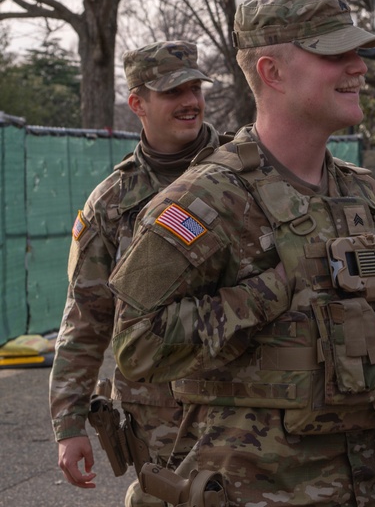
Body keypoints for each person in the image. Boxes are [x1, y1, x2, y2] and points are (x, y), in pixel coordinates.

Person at [110, 0, 375, 506]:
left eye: (357, 52)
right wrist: (271, 292)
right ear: (273, 71)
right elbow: (136, 346)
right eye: (337, 54)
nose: (359, 67)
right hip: (263, 491)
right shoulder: (206, 201)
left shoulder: (364, 193)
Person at [49, 41, 218, 505]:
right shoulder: (113, 202)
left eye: (195, 88)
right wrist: (69, 424)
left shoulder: (248, 173)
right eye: (172, 92)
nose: (191, 101)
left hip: (253, 413)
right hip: (162, 428)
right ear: (138, 104)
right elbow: (86, 317)